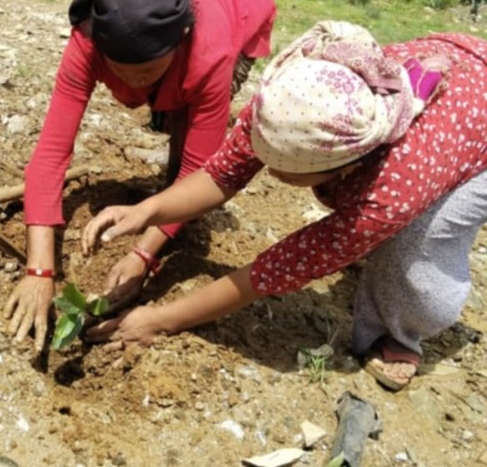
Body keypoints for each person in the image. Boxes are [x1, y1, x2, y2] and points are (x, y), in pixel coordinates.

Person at [81, 21, 487, 391]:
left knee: (421, 242)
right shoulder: (291, 100)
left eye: (283, 170)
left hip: (475, 128)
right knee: (369, 232)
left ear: (345, 168)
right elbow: (223, 174)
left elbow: (274, 270)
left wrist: (160, 320)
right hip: (458, 62)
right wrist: (146, 211)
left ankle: (399, 334)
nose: (269, 172)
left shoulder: (388, 193)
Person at [4, 0, 277, 350]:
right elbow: (51, 152)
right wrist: (40, 271)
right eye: (118, 70)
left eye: (145, 72)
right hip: (159, 10)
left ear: (181, 39)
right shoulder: (88, 38)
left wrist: (142, 256)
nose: (130, 82)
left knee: (189, 143)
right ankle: (172, 114)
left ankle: (175, 216)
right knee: (170, 111)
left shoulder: (210, 51)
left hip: (240, 6)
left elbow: (200, 169)